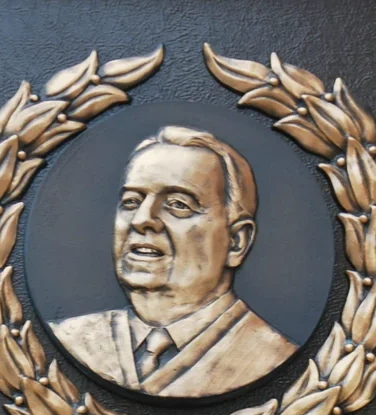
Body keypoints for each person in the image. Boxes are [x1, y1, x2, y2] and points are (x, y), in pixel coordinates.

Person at [50, 126, 297, 398]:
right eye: (131, 202)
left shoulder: (272, 356)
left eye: (178, 204)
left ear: (236, 241)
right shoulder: (70, 339)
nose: (142, 219)